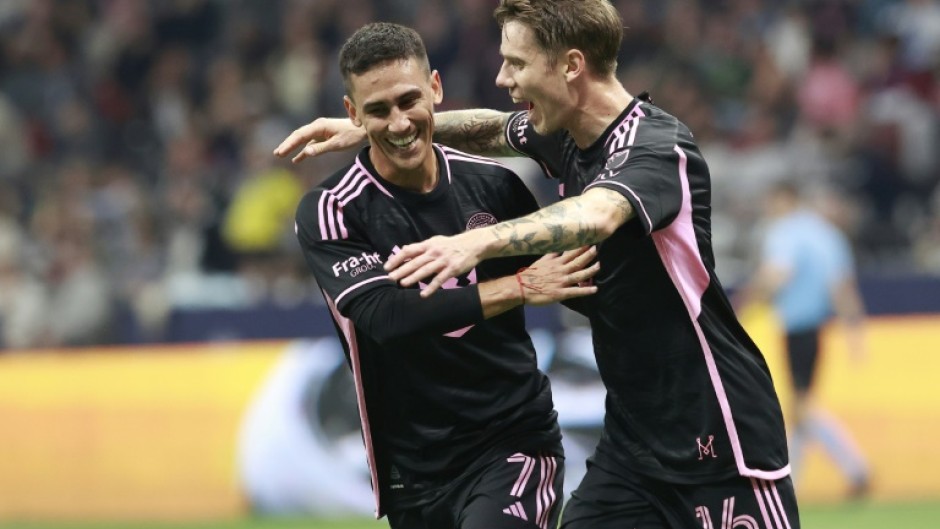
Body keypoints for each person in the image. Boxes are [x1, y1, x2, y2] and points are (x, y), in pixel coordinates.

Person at [277, 2, 800, 528]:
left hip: (716, 426)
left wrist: (476, 245)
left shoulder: (656, 148)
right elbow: (491, 129)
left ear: (570, 66)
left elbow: (597, 215)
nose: (503, 77)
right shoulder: (567, 135)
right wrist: (382, 128)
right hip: (633, 440)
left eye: (517, 63)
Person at [292, 22, 602, 529]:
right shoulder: (333, 210)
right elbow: (387, 316)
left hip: (514, 444)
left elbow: (580, 282)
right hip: (414, 469)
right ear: (352, 114)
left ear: (436, 89)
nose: (398, 123)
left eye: (409, 100)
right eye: (377, 110)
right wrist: (520, 287)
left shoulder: (495, 187)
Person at [737, 181, 871, 499]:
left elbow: (777, 273)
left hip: (796, 326)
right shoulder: (826, 233)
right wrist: (855, 332)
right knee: (800, 407)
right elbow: (842, 286)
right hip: (816, 328)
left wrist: (740, 307)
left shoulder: (785, 233)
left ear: (784, 200)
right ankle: (794, 481)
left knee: (802, 407)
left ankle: (855, 468)